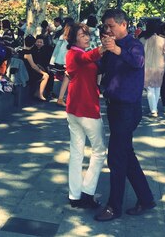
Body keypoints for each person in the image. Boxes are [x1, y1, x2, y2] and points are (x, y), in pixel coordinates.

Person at [94, 9, 155, 222]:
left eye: (111, 26)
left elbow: (137, 62)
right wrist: (100, 52)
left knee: (116, 158)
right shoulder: (111, 47)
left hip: (128, 109)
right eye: (105, 27)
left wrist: (116, 49)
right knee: (127, 156)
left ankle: (114, 206)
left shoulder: (133, 45)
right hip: (114, 106)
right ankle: (146, 199)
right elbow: (100, 68)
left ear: (123, 25)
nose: (108, 30)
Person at [65, 23, 106, 209]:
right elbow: (88, 56)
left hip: (74, 108)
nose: (87, 38)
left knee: (76, 152)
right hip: (87, 108)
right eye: (82, 35)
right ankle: (87, 193)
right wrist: (105, 47)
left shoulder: (73, 54)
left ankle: (75, 195)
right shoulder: (76, 54)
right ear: (73, 38)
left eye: (87, 34)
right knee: (98, 151)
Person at [139, 20, 165, 118]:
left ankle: (153, 110)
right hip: (160, 66)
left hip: (147, 66)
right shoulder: (162, 40)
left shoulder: (143, 39)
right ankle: (154, 109)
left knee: (150, 88)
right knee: (157, 87)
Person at [22, 35, 50, 101]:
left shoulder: (22, 51)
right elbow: (33, 66)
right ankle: (40, 94)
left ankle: (36, 93)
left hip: (25, 71)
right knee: (46, 76)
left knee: (40, 73)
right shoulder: (28, 53)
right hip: (29, 73)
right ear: (33, 44)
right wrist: (43, 72)